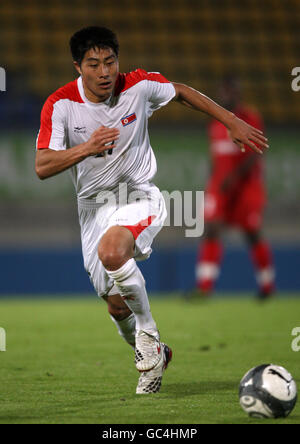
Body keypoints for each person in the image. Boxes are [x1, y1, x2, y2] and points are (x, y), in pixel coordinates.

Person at [35, 27, 268, 394]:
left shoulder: (139, 85)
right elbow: (42, 166)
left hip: (138, 195)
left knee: (112, 251)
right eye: (93, 64)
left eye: (110, 61)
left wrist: (231, 121)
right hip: (93, 208)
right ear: (77, 67)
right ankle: (155, 352)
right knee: (115, 305)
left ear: (118, 60)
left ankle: (150, 334)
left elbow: (182, 92)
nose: (104, 72)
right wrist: (86, 148)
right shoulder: (60, 105)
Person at [194, 76, 275, 299]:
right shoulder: (215, 122)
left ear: (237, 93)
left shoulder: (250, 118)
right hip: (220, 186)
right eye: (222, 92)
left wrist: (235, 176)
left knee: (252, 233)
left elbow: (257, 151)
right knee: (211, 229)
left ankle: (267, 286)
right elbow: (215, 156)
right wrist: (212, 182)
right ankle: (204, 287)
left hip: (246, 186)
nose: (223, 96)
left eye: (228, 92)